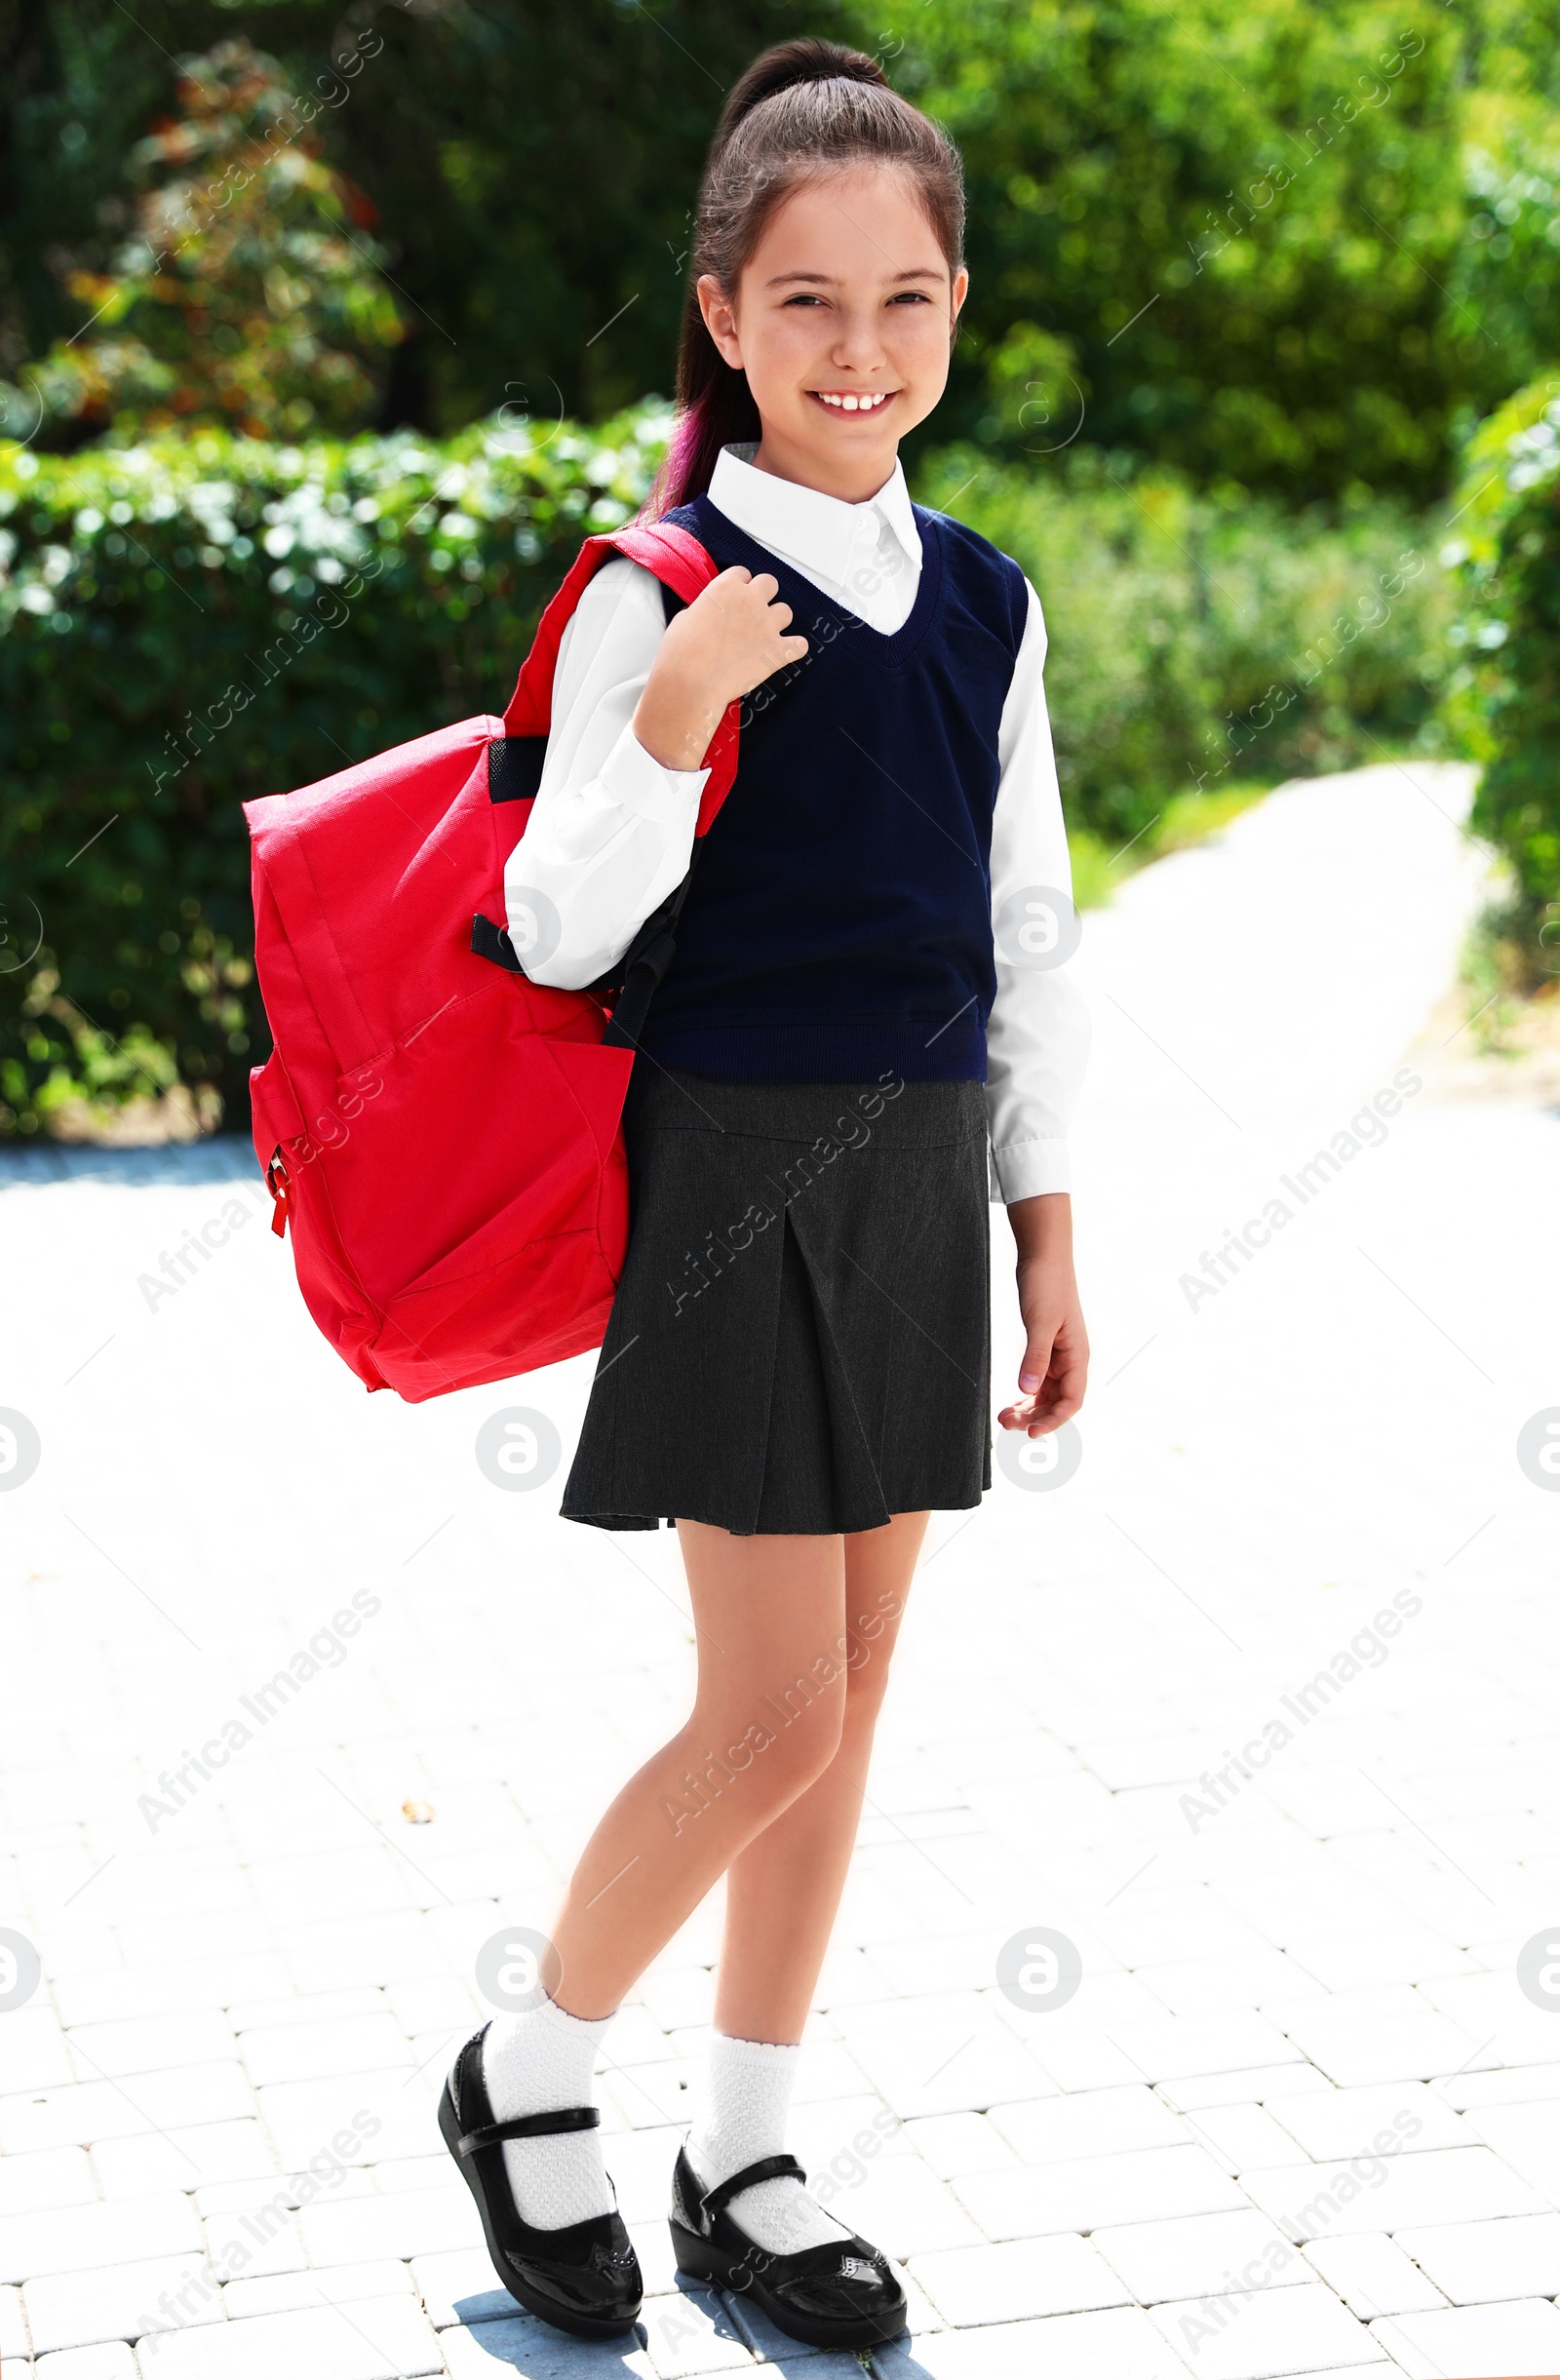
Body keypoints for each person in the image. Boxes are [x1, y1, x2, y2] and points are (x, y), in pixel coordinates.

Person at [439, 34, 1090, 2352]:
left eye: (905, 299)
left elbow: (1021, 927)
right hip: (730, 1168)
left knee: (856, 1694)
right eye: (805, 301)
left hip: (921, 1171)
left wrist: (1044, 1219)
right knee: (767, 1713)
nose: (858, 350)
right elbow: (558, 924)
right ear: (720, 314)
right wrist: (677, 711)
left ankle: (747, 2140)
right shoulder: (666, 581)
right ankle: (525, 2072)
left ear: (951, 310)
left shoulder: (988, 597)